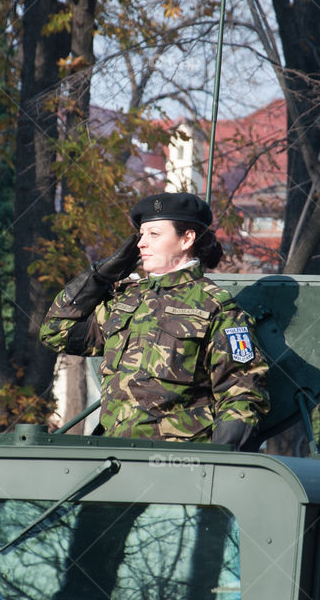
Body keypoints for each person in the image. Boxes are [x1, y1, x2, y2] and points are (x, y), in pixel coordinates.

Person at [40, 191, 269, 448]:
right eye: (142, 234)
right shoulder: (127, 300)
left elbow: (241, 394)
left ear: (187, 239)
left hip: (178, 464)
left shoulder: (218, 308)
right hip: (113, 456)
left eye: (154, 234)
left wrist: (216, 464)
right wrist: (99, 276)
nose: (141, 243)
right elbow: (55, 331)